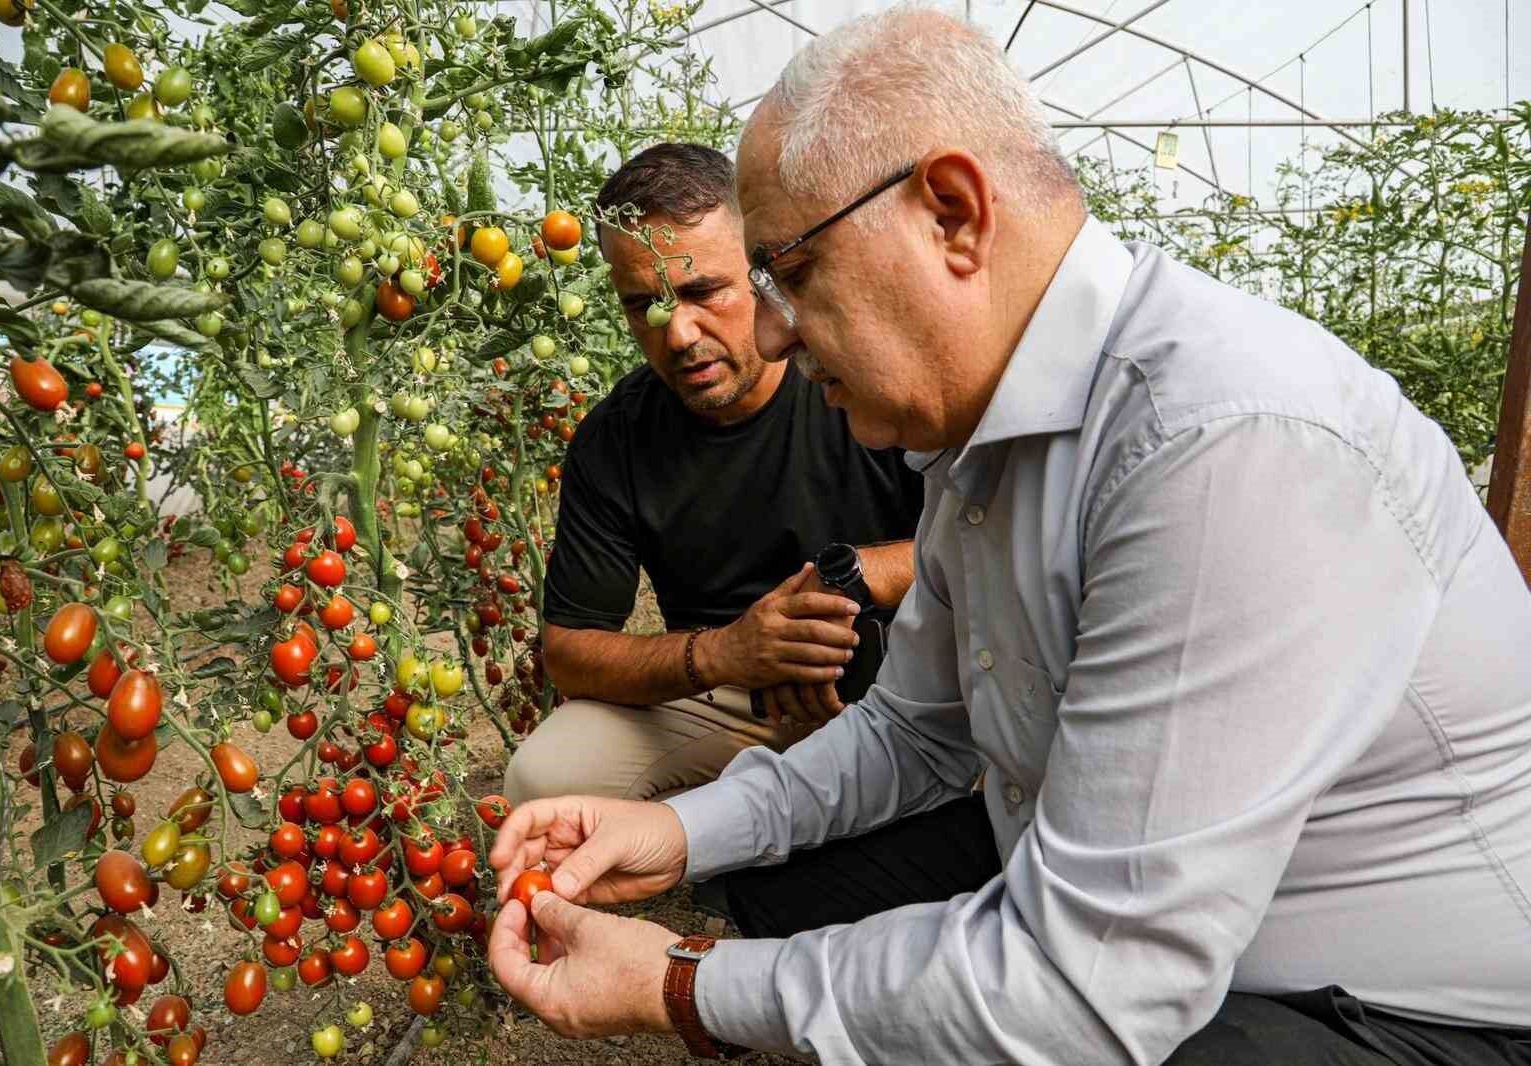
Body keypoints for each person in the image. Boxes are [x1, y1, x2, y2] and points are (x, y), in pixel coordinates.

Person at [483, 8, 1531, 1066]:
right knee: (790, 878)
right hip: (1183, 929)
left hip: (1408, 1004)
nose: (766, 331)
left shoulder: (1216, 439)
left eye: (790, 273)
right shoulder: (978, 444)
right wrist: (678, 831)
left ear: (951, 214)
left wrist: (681, 984)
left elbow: (1086, 990)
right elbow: (917, 729)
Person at [503, 143, 922, 805]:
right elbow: (569, 651)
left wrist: (847, 583)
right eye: (644, 305)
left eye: (703, 291)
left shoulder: (861, 377)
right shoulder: (615, 441)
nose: (678, 334)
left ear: (761, 269)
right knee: (547, 774)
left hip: (914, 676)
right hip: (737, 700)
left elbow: (989, 535)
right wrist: (726, 653)